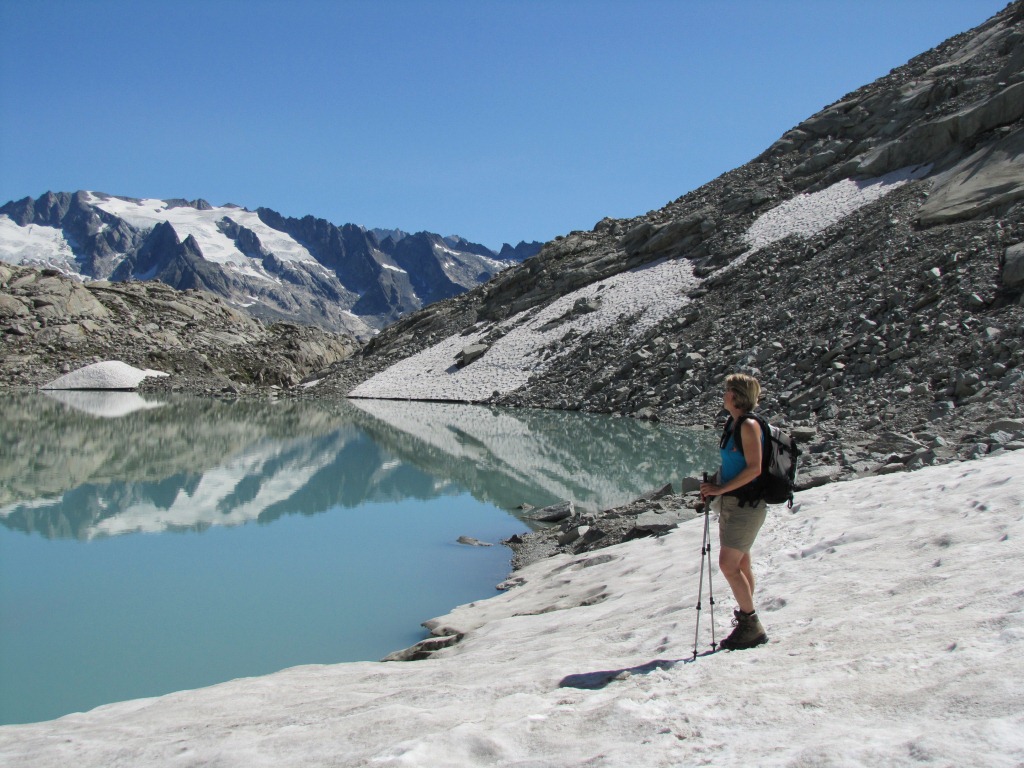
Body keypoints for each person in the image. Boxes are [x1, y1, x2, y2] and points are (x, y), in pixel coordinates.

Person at [699, 373, 770, 650]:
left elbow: (755, 468)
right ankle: (747, 618)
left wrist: (720, 489)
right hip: (734, 501)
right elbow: (734, 465)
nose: (724, 393)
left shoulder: (749, 425)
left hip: (746, 504)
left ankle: (750, 623)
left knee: (728, 565)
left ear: (737, 395)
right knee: (740, 564)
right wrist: (715, 486)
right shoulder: (734, 423)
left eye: (728, 389)